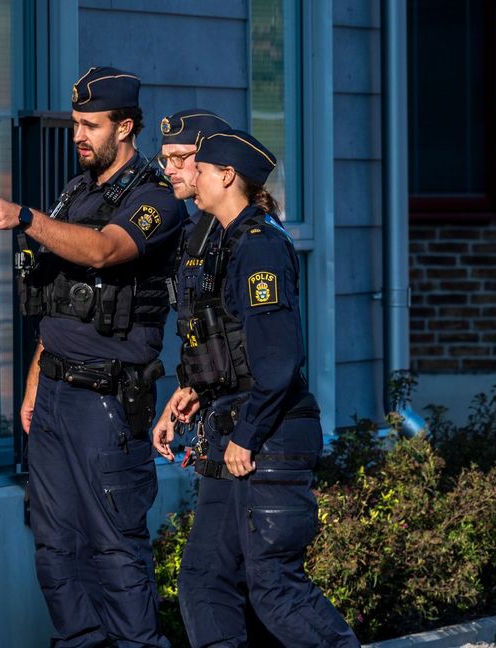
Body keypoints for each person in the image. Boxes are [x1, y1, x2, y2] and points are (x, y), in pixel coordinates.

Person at [0, 66, 183, 647]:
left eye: (91, 125)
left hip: (107, 402)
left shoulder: (153, 198)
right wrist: (37, 378)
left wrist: (27, 218)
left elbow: (107, 251)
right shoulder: (78, 191)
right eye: (76, 124)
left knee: (113, 548)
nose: (79, 135)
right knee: (54, 549)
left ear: (126, 127)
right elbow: (62, 302)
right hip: (58, 397)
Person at [151, 129, 359, 647]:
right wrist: (198, 388)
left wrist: (247, 434)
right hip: (232, 430)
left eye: (199, 169)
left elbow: (279, 359)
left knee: (273, 586)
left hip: (268, 437)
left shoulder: (259, 247)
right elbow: (237, 346)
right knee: (204, 579)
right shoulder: (225, 241)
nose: (188, 175)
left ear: (227, 176)